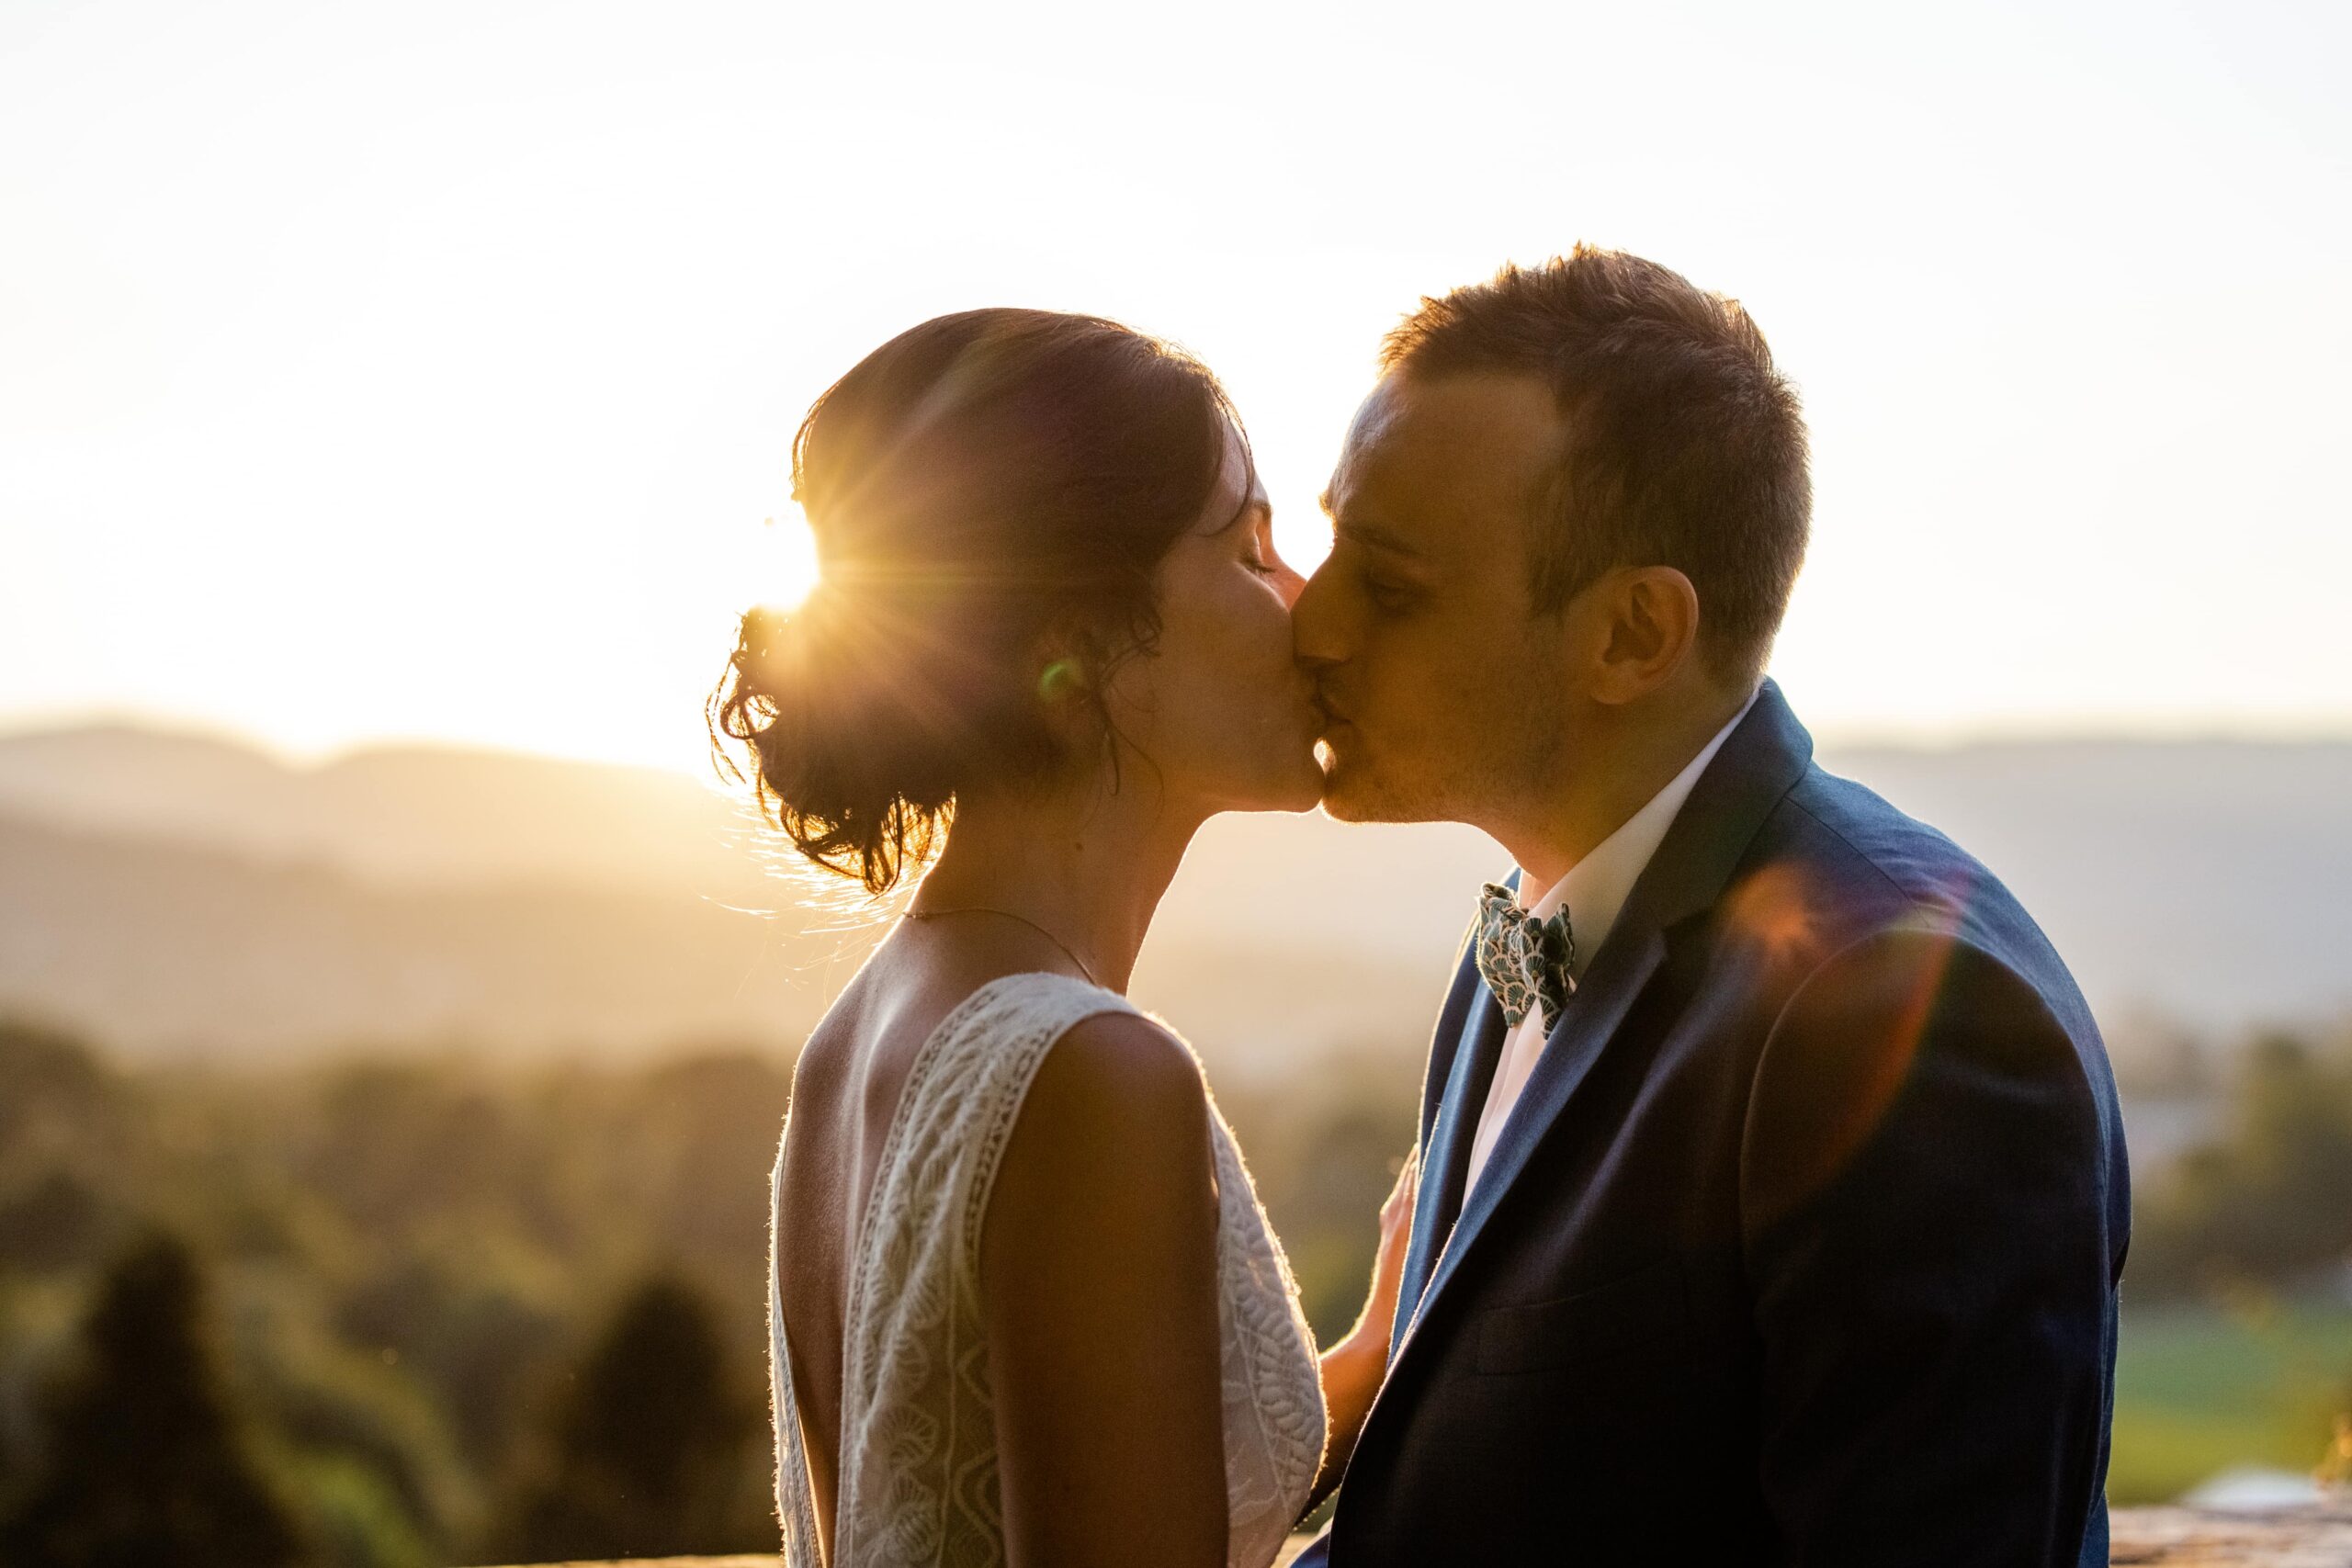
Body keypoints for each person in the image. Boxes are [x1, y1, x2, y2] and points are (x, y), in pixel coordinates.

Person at [1288, 246, 2132, 1565]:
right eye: (1330, 538)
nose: (1315, 624)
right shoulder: (1522, 930)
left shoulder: (1905, 1019)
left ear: (1634, 634)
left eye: (1391, 586)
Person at [715, 308, 1416, 1568]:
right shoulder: (1091, 1077)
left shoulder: (862, 1036)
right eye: (1250, 550)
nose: (1310, 606)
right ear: (1073, 641)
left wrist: (1372, 1358)